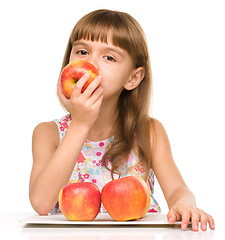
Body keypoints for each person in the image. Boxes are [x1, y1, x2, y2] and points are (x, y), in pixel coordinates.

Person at [29, 9, 215, 231]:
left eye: (109, 57)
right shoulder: (48, 133)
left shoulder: (149, 132)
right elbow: (41, 203)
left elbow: (177, 189)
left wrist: (183, 204)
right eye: (81, 51)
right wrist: (80, 123)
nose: (91, 63)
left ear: (133, 78)